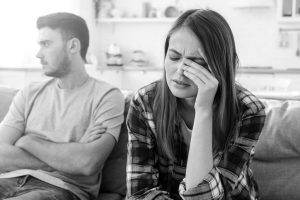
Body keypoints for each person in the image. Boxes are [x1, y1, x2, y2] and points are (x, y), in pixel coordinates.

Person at [126, 9, 266, 200]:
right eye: (174, 57)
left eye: (197, 63)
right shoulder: (144, 102)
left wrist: (203, 110)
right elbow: (140, 192)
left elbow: (209, 196)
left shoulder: (249, 110)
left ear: (220, 67)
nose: (180, 72)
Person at [0, 12, 124, 200]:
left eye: (46, 44)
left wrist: (28, 141)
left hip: (59, 189)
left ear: (73, 46)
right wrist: (69, 155)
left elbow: (86, 163)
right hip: (8, 180)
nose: (38, 54)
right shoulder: (29, 93)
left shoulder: (107, 96)